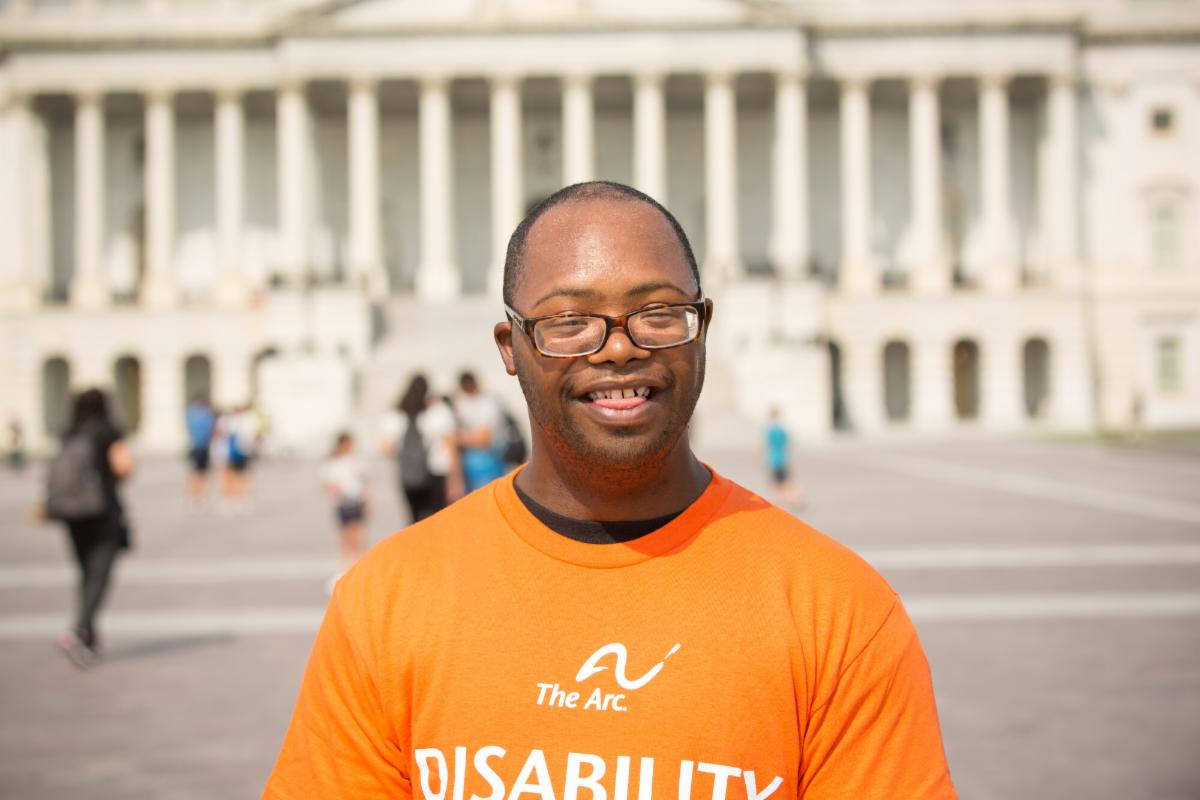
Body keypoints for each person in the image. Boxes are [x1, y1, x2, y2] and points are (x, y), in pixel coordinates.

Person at [264, 181, 957, 799]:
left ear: (702, 327)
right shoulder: (387, 602)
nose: (618, 347)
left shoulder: (839, 611)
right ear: (510, 347)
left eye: (658, 311)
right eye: (568, 320)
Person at [50, 388, 134, 668]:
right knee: (100, 574)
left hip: (72, 514)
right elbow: (124, 466)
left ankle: (89, 640)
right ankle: (78, 631)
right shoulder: (108, 432)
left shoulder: (70, 432)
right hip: (102, 512)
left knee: (86, 573)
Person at [382, 375, 462, 523]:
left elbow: (386, 448)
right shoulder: (438, 411)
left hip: (408, 475)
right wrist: (456, 478)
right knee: (437, 520)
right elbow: (450, 446)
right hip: (436, 473)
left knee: (414, 520)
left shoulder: (396, 414)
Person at [321, 431, 369, 593]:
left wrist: (366, 500)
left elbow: (364, 482)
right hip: (343, 502)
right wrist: (338, 490)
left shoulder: (355, 462)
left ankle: (359, 572)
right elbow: (327, 484)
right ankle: (343, 572)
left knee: (358, 538)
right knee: (346, 540)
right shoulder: (334, 463)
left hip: (356, 501)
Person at [454, 370, 508, 491]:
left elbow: (485, 438)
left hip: (489, 462)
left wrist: (462, 439)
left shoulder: (488, 403)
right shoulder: (462, 403)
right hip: (472, 465)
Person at [764, 405, 805, 508]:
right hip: (783, 458)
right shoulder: (782, 430)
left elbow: (766, 445)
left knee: (780, 482)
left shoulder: (771, 431)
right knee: (783, 481)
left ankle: (791, 498)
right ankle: (787, 499)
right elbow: (789, 443)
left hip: (774, 459)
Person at [184, 394, 217, 508]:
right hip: (202, 447)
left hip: (195, 446)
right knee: (201, 473)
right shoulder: (206, 415)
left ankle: (195, 495)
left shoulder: (191, 413)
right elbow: (211, 430)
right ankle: (198, 495)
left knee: (195, 472)